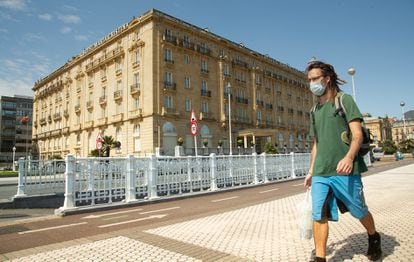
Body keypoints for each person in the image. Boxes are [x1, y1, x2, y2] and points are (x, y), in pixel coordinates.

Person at [303, 61, 382, 261]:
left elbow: (357, 135)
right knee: (318, 214)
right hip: (322, 171)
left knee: (359, 210)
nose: (311, 83)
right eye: (309, 80)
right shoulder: (314, 111)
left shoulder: (344, 100)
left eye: (314, 79)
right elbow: (316, 143)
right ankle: (320, 257)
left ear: (327, 79)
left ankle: (373, 236)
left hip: (345, 170)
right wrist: (311, 170)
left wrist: (348, 157)